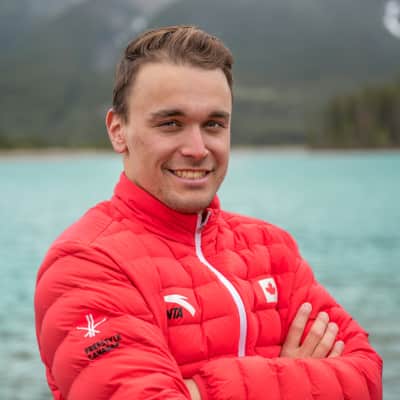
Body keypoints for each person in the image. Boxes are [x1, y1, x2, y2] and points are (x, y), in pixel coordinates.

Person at [34, 25, 382, 400]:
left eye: (214, 124)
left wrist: (198, 390)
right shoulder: (85, 263)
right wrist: (298, 377)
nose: (198, 148)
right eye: (171, 124)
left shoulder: (271, 249)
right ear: (118, 130)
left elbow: (366, 377)